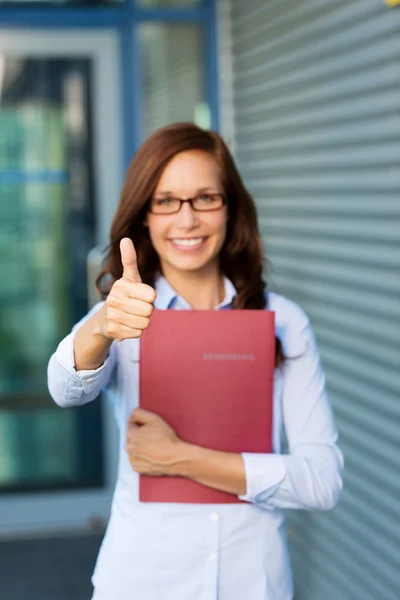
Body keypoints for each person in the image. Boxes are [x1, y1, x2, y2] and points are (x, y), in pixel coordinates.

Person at [47, 122, 343, 600]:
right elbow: (64, 389)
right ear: (144, 214)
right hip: (143, 579)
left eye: (205, 198)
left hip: (254, 581)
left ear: (230, 208)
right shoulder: (124, 315)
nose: (186, 220)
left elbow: (323, 483)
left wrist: (180, 458)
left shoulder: (283, 321)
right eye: (165, 201)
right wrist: (102, 324)